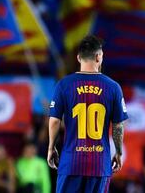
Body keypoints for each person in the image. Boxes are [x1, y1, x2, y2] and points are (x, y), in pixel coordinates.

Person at [48, 35, 128, 193]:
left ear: (79, 58)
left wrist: (51, 147)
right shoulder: (113, 87)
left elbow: (54, 121)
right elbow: (118, 125)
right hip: (99, 165)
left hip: (71, 162)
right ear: (99, 57)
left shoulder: (64, 85)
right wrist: (118, 152)